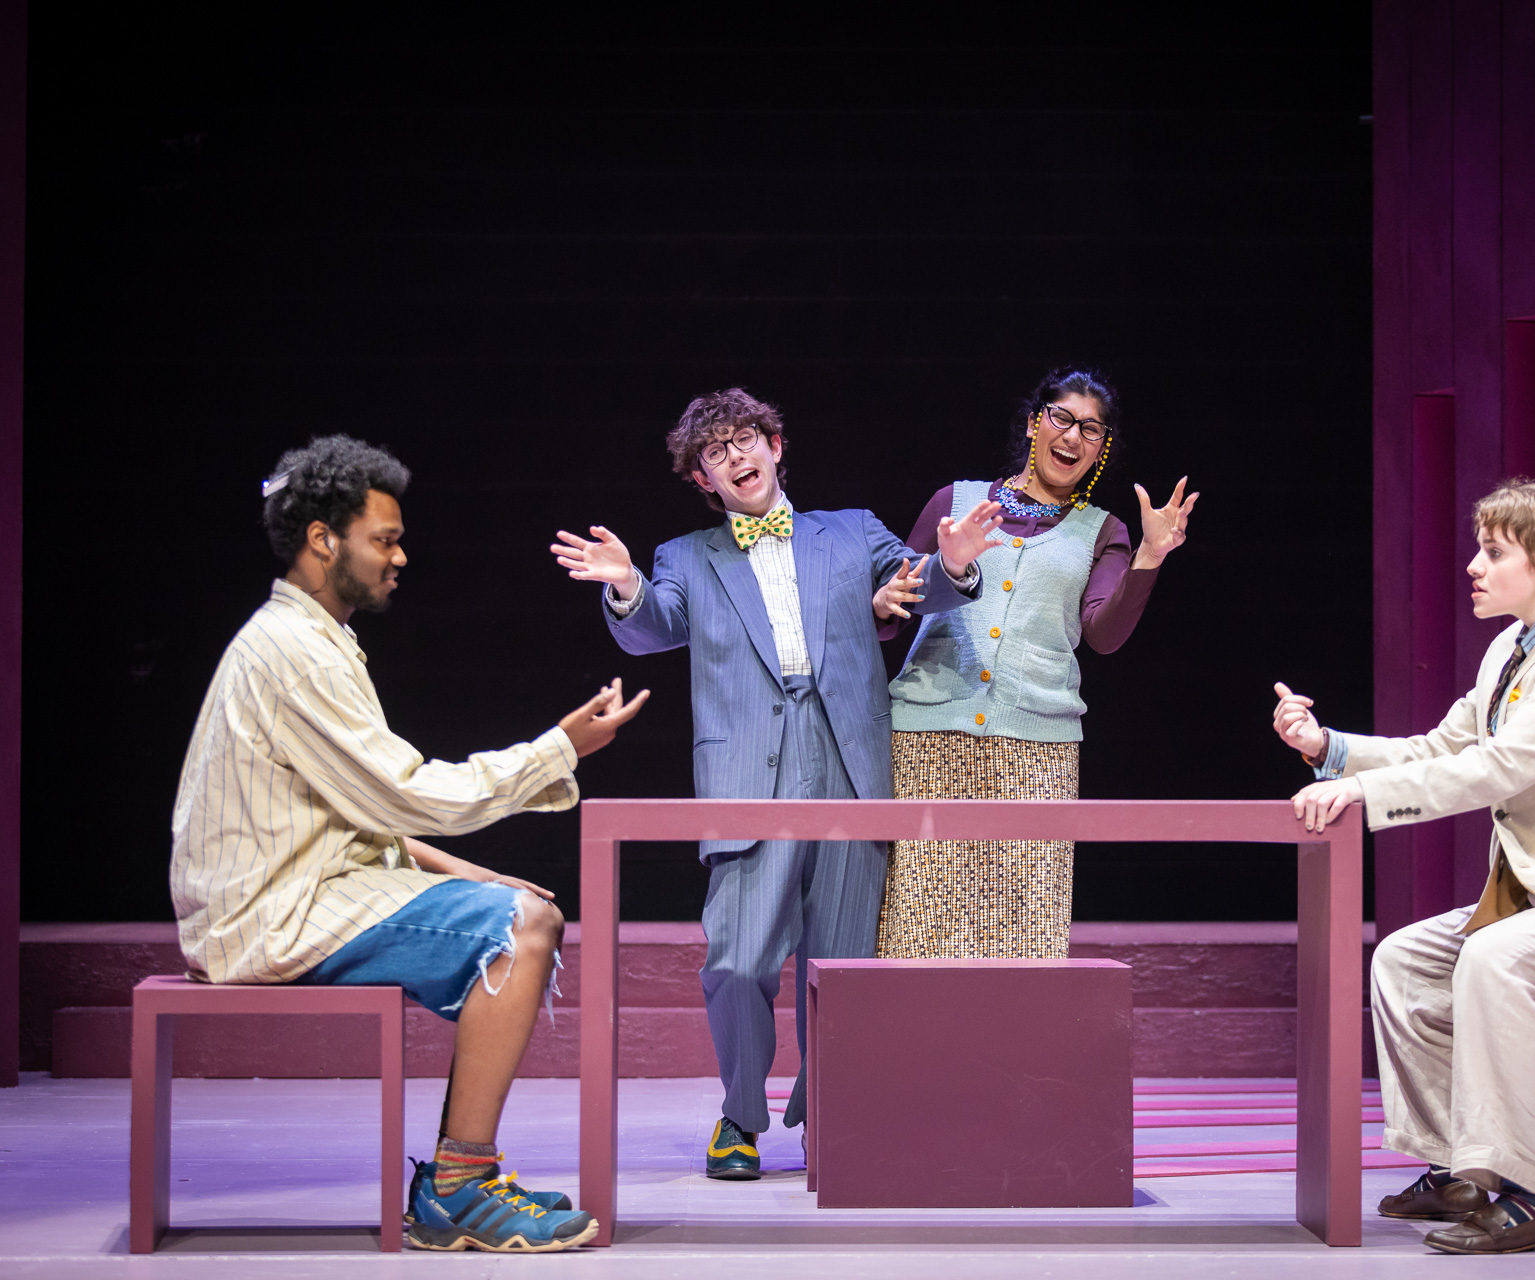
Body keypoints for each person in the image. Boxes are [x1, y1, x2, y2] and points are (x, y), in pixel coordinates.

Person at [171, 435, 649, 1254]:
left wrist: (465, 868)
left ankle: (458, 1184)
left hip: (304, 886)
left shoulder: (312, 637)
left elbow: (358, 810)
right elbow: (407, 793)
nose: (399, 557)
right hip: (272, 913)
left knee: (519, 905)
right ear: (324, 538)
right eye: (382, 539)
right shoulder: (292, 652)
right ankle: (459, 1187)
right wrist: (558, 750)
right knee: (521, 929)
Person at [549, 388, 999, 1179]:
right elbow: (659, 625)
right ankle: (740, 1116)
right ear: (704, 482)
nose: (736, 458)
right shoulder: (687, 556)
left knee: (845, 962)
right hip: (747, 770)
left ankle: (831, 1109)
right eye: (715, 454)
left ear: (776, 445)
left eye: (745, 440)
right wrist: (623, 586)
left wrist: (953, 564)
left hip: (848, 763)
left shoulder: (851, 530)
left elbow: (913, 581)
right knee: (737, 958)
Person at [1271, 477, 1535, 1256]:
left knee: (1494, 959)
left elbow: (1496, 769)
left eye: (1494, 552)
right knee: (1403, 959)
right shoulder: (1512, 646)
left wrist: (1363, 797)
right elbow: (1444, 750)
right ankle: (1461, 1169)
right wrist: (1328, 750)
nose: (1474, 564)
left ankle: (1532, 1195)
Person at [876, 367, 1196, 959]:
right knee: (919, 926)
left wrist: (1151, 556)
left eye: (1092, 430)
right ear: (1034, 422)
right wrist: (891, 595)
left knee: (1026, 928)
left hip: (1037, 749)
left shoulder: (1103, 531)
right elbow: (890, 614)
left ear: (1102, 449)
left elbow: (1103, 634)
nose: (1073, 437)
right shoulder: (957, 501)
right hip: (927, 738)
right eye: (1062, 418)